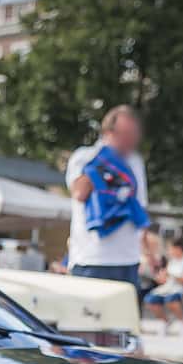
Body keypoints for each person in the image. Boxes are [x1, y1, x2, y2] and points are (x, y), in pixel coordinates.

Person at [65, 105, 149, 286]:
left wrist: (147, 252)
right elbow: (79, 193)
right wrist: (103, 160)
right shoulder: (84, 157)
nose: (130, 142)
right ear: (108, 132)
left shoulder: (135, 162)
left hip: (128, 261)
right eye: (125, 134)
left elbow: (140, 206)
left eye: (134, 136)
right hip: (91, 259)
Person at [144, 237, 183, 332]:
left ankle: (182, 323)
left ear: (178, 248)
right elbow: (164, 280)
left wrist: (172, 275)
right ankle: (165, 321)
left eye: (171, 248)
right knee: (150, 300)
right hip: (169, 288)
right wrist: (159, 277)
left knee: (171, 299)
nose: (169, 251)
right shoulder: (172, 261)